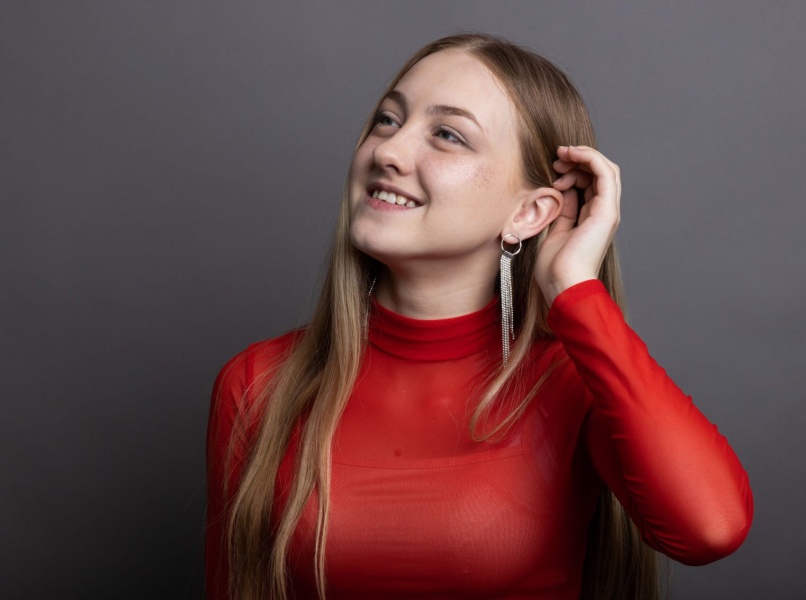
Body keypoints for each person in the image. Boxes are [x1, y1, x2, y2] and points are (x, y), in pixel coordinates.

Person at [205, 33, 753, 600]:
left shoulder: (571, 382)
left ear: (529, 212)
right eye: (388, 120)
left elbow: (710, 529)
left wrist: (576, 291)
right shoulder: (260, 384)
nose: (388, 151)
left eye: (447, 134)